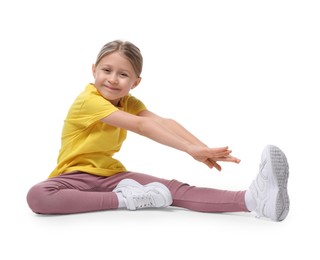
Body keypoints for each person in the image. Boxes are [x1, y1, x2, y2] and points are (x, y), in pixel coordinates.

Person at [26, 40, 290, 221]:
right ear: (94, 70)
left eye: (123, 75)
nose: (112, 79)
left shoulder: (128, 102)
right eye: (106, 70)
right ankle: (126, 200)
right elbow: (142, 126)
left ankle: (254, 200)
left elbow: (163, 122)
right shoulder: (89, 100)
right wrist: (190, 149)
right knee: (38, 195)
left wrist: (202, 149)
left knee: (176, 189)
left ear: (136, 82)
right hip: (73, 178)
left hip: (112, 176)